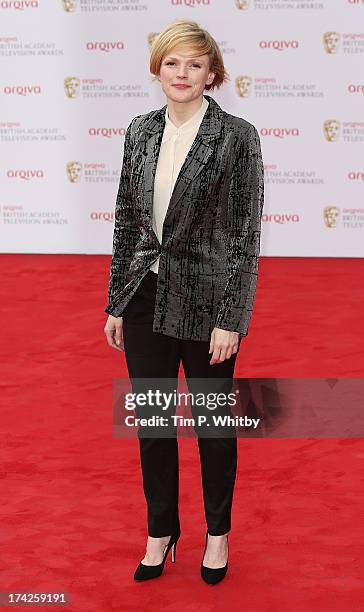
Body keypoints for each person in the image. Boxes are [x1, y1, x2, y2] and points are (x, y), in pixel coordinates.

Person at [104, 18, 264, 585]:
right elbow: (127, 220)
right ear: (158, 68)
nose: (182, 73)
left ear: (211, 74)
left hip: (208, 299)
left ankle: (217, 534)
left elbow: (247, 234)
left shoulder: (238, 136)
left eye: (194, 64)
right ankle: (161, 529)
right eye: (172, 62)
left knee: (214, 424)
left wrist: (232, 318)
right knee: (152, 421)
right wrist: (116, 301)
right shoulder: (140, 131)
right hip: (146, 294)